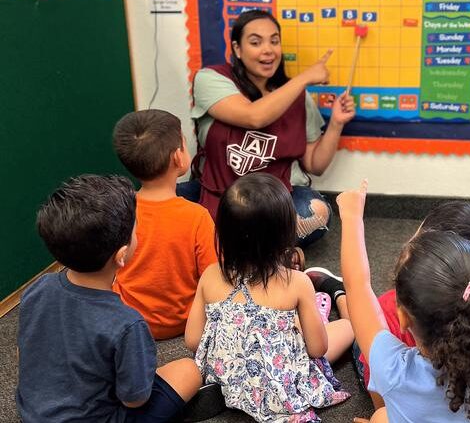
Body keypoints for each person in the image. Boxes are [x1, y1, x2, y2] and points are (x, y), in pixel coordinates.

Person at [337, 181, 470, 422]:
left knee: (380, 416)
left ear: (403, 317)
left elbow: (358, 285)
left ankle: (336, 296)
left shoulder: (395, 372)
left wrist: (352, 216)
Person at [17, 175, 202, 422]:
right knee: (188, 370)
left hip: (33, 412)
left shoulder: (38, 287)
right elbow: (134, 399)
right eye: (137, 228)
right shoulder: (127, 323)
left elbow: (23, 355)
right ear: (122, 255)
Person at [184, 173, 353, 422]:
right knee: (348, 325)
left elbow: (192, 340)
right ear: (286, 233)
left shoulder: (210, 275)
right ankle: (338, 294)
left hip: (226, 371)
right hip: (279, 380)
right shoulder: (297, 282)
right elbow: (318, 348)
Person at [188, 9, 356, 246]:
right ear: (237, 49)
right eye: (256, 42)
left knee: (315, 212)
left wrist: (337, 123)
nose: (268, 50)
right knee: (160, 206)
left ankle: (233, 244)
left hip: (278, 199)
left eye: (274, 41)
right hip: (221, 194)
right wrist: (305, 78)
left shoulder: (298, 95)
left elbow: (315, 165)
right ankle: (264, 248)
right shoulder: (211, 79)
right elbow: (253, 117)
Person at [354, 201, 470, 408]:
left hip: (385, 364)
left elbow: (383, 405)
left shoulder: (389, 311)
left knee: (357, 326)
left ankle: (336, 294)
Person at [112, 110, 218, 340]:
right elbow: (213, 275)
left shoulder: (120, 210)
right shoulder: (197, 216)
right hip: (185, 321)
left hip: (129, 320)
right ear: (178, 158)